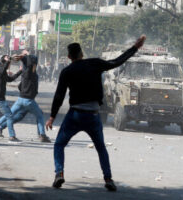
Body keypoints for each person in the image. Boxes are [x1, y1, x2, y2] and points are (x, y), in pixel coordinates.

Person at [45, 35, 146, 191]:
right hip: (93, 115)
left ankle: (59, 174)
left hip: (75, 115)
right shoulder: (95, 63)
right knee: (101, 148)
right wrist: (135, 47)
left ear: (69, 57)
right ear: (81, 54)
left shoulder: (67, 71)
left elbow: (59, 95)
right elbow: (116, 62)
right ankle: (108, 179)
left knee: (59, 144)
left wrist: (52, 117)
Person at [0, 50, 51, 143]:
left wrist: (23, 56)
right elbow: (33, 60)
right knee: (40, 115)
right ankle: (42, 135)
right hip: (29, 100)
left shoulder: (24, 73)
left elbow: (19, 86)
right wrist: (25, 56)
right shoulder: (32, 73)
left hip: (21, 99)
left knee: (11, 115)